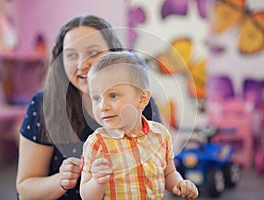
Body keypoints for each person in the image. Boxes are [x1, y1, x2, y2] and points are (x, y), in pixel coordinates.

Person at [16, 15, 161, 200]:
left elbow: (161, 173)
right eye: (71, 55)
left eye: (93, 52)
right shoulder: (44, 104)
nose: (82, 65)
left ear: (114, 54)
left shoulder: (141, 102)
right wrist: (61, 180)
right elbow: (25, 190)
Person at [80, 51, 198, 200]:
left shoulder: (160, 134)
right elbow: (86, 195)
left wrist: (179, 183)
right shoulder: (97, 143)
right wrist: (97, 182)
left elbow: (169, 173)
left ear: (142, 99)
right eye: (96, 98)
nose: (102, 106)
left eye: (113, 95)